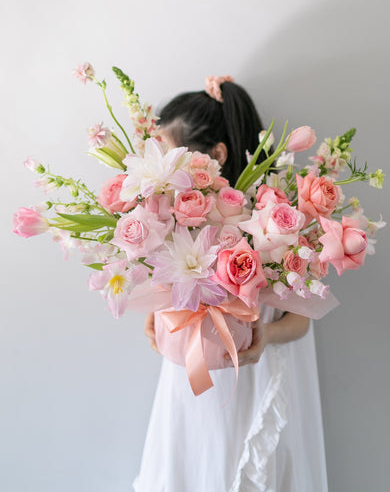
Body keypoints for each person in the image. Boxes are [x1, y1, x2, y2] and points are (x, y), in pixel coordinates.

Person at [133, 77, 328, 492]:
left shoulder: (275, 221)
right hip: (187, 383)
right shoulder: (172, 220)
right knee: (189, 465)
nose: (164, 171)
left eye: (172, 157)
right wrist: (158, 312)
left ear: (216, 155)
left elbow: (301, 320)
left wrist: (264, 334)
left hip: (251, 378)